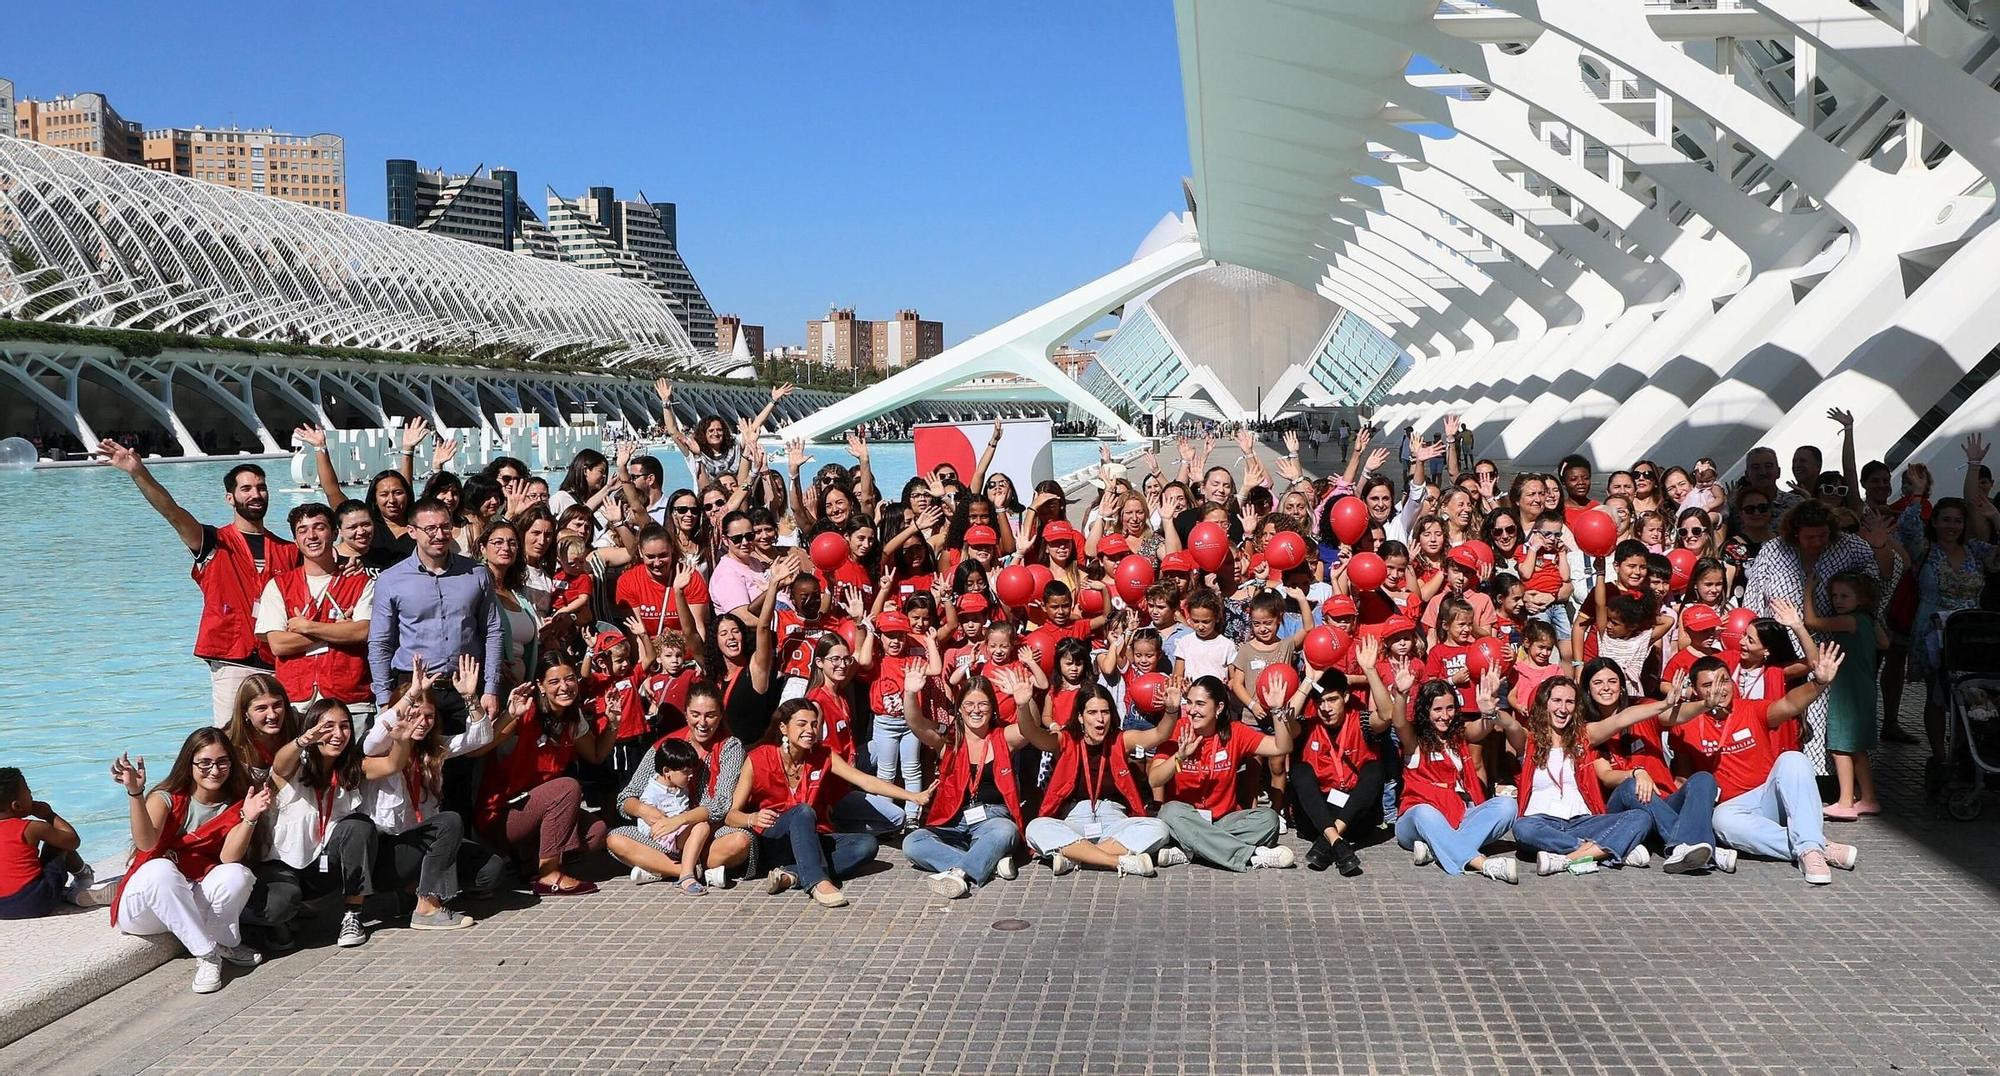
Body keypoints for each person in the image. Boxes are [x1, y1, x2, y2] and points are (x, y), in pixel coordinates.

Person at [97, 442, 300, 726]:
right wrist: (138, 473)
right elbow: (172, 513)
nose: (256, 494)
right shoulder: (214, 542)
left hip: (277, 662)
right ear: (230, 498)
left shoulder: (290, 551)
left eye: (261, 488)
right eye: (246, 488)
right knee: (229, 745)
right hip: (231, 662)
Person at [725, 698, 932, 908]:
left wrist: (913, 797)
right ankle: (818, 882)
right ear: (783, 728)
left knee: (866, 845)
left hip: (812, 837)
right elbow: (731, 815)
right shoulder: (758, 758)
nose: (810, 730)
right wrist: (752, 818)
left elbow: (865, 780)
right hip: (775, 840)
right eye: (802, 724)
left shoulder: (823, 755)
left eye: (815, 724)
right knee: (802, 812)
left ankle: (792, 874)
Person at [369, 497, 502, 814]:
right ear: (412, 531)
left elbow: (493, 630)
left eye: (445, 527)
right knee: (411, 776)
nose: (439, 535)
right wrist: (384, 697)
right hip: (414, 691)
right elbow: (380, 642)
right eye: (430, 528)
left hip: (463, 688)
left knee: (460, 778)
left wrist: (492, 688)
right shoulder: (391, 579)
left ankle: (460, 850)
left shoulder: (477, 574)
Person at [108, 729, 268, 994]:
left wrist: (249, 818)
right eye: (204, 763)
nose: (214, 770)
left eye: (222, 761)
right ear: (189, 763)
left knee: (237, 874)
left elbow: (229, 857)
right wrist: (135, 794)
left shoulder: (236, 804)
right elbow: (146, 844)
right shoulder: (167, 798)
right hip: (145, 908)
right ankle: (207, 954)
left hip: (189, 897)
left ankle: (224, 941)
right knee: (160, 869)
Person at [1682, 647, 1860, 884]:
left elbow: (1789, 704)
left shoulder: (1751, 708)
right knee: (1721, 821)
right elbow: (1662, 720)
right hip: (1734, 810)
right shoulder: (1685, 722)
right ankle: (1816, 848)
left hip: (1771, 798)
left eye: (1724, 681)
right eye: (1708, 685)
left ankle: (1809, 846)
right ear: (1694, 690)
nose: (1719, 689)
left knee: (1793, 759)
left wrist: (1818, 683)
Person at [900, 666, 1045, 898]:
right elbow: (917, 724)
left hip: (992, 819)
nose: (976, 711)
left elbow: (1030, 728)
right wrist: (909, 693)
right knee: (913, 842)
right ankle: (987, 863)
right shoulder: (948, 741)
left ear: (992, 709)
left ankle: (960, 872)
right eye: (969, 704)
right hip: (953, 820)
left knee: (1005, 831)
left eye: (983, 705)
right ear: (959, 709)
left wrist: (1023, 703)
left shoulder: (1002, 737)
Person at [475, 658, 612, 896]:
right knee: (567, 786)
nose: (564, 687)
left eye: (569, 679)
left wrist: (613, 724)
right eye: (554, 681)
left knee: (596, 831)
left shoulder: (572, 717)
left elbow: (596, 755)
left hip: (540, 810)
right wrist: (510, 714)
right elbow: (479, 748)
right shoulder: (525, 712)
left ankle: (528, 862)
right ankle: (548, 874)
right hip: (502, 814)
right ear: (540, 685)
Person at [1024, 682, 1182, 877]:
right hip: (1074, 820)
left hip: (1114, 821)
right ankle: (1117, 861)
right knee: (1035, 828)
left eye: (1105, 712)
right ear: (1080, 717)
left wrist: (1172, 711)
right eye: (1092, 713)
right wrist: (1022, 706)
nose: (1100, 719)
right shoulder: (1064, 740)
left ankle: (1074, 856)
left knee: (1159, 828)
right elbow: (1031, 733)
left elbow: (1159, 734)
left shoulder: (1121, 739)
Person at [609, 682, 753, 890]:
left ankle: (657, 867)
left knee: (741, 841)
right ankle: (688, 871)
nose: (702, 722)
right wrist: (644, 810)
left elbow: (721, 804)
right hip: (663, 835)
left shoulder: (730, 747)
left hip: (708, 833)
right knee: (615, 839)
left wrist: (680, 820)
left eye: (710, 715)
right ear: (686, 713)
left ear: (721, 715)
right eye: (695, 714)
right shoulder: (667, 746)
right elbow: (626, 798)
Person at [1149, 675, 1298, 872]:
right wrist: (1179, 757)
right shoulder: (1178, 730)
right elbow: (1154, 779)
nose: (1192, 710)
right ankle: (1250, 856)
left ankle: (1190, 850)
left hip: (1223, 820)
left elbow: (1282, 746)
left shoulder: (1235, 732)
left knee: (1268, 820)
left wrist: (1277, 711)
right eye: (1190, 703)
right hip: (1185, 817)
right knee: (1170, 812)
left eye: (1200, 704)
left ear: (1219, 708)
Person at [1383, 668, 1517, 883]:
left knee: (1507, 806)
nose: (1444, 716)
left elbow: (1480, 729)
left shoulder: (1458, 735)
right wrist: (1401, 695)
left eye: (1450, 708)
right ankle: (1482, 864)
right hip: (1416, 819)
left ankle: (1437, 848)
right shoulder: (1414, 739)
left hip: (1460, 814)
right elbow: (1399, 723)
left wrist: (1490, 707)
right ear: (1425, 711)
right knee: (1425, 813)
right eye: (1437, 710)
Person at [257, 503, 375, 723]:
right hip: (296, 703)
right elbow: (278, 644)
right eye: (302, 530)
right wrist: (338, 631)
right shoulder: (278, 586)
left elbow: (362, 631)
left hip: (351, 701)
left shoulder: (361, 583)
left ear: (335, 533)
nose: (311, 536)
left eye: (319, 527)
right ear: (296, 540)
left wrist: (307, 626)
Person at [0, 767, 104, 918]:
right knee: (57, 843)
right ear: (17, 805)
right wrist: (49, 815)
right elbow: (72, 841)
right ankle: (83, 878)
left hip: (2, 909)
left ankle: (63, 892)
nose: (31, 795)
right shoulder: (32, 828)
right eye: (28, 792)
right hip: (37, 902)